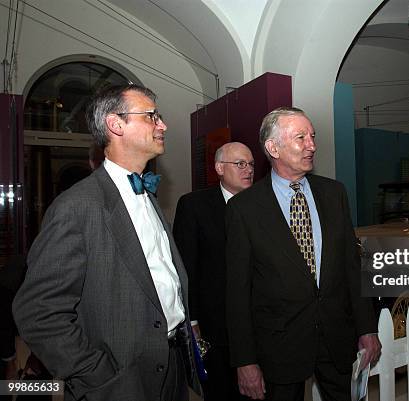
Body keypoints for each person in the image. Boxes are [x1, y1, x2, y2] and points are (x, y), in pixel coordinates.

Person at [12, 84, 202, 401]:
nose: (163, 125)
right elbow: (39, 313)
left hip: (171, 366)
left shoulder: (146, 195)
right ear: (116, 125)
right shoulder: (76, 207)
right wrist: (99, 376)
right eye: (152, 116)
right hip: (119, 379)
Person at [225, 107, 381, 401]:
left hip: (336, 339)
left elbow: (351, 266)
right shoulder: (244, 209)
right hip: (279, 347)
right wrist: (245, 361)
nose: (312, 145)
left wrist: (366, 327)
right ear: (273, 148)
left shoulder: (335, 194)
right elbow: (237, 292)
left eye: (312, 136)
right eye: (301, 138)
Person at [173, 141, 254, 401]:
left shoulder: (263, 205)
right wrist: (192, 320)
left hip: (258, 324)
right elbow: (186, 266)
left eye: (251, 164)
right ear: (219, 168)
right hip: (214, 327)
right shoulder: (194, 205)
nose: (248, 170)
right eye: (240, 164)